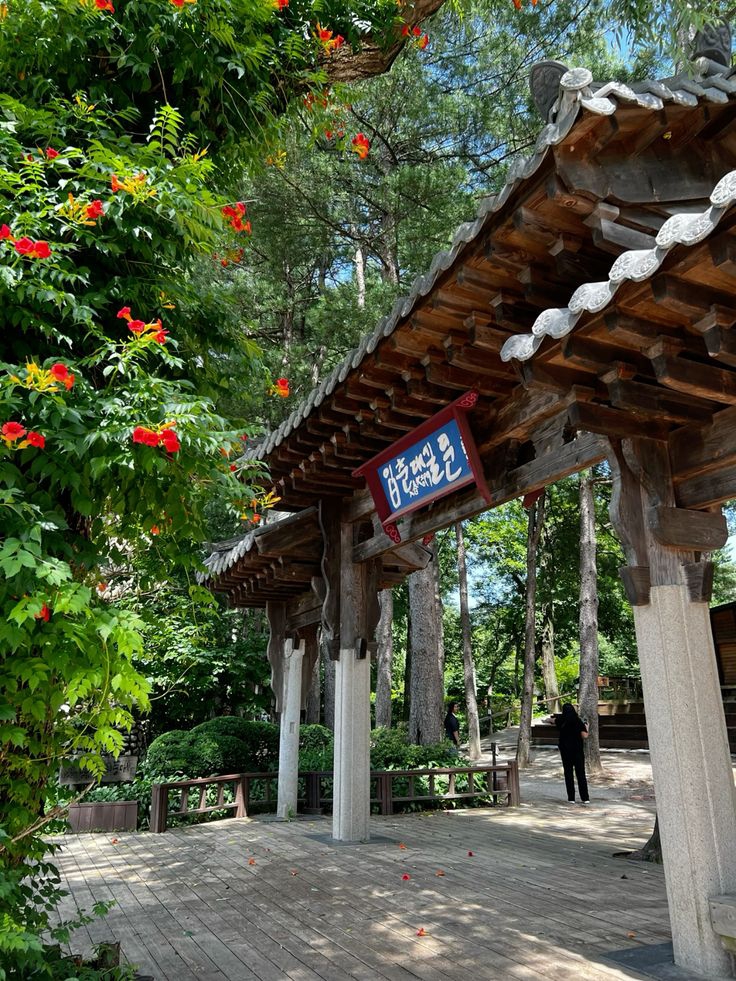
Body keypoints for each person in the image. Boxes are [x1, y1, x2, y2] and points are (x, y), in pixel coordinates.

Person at [555, 703, 590, 805]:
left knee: (568, 773)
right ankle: (585, 798)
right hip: (577, 750)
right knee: (581, 773)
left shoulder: (561, 720)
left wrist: (547, 720)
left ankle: (571, 798)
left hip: (565, 751)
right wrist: (587, 727)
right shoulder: (578, 721)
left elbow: (553, 721)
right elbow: (585, 736)